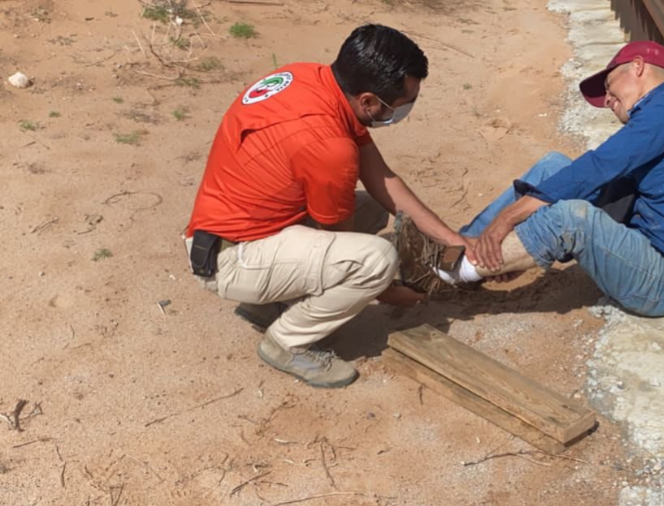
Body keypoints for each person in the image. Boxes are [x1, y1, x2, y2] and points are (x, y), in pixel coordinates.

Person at [183, 24, 462, 388]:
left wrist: (453, 239)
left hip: (225, 234)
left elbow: (381, 177)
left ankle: (264, 304)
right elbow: (341, 243)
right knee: (374, 260)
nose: (406, 109)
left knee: (371, 209)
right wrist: (392, 293)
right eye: (403, 103)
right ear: (367, 101)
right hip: (230, 260)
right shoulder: (329, 146)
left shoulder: (308, 79)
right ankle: (287, 343)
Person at [399, 40, 664, 316]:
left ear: (637, 66)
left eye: (608, 85)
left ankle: (447, 273)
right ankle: (458, 247)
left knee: (571, 217)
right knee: (554, 165)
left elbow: (599, 166)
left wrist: (508, 220)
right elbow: (608, 193)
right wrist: (521, 247)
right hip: (637, 252)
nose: (606, 101)